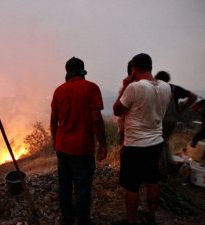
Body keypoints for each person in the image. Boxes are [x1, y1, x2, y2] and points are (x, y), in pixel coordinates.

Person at [113, 53, 171, 225]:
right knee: (153, 180)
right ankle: (151, 216)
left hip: (136, 145)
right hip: (156, 142)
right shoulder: (166, 87)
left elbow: (117, 110)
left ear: (133, 69)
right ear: (150, 67)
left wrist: (125, 86)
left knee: (132, 186)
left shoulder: (134, 88)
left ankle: (132, 221)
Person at [50, 57, 107, 225]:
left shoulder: (58, 90)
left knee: (65, 185)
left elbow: (53, 120)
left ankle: (67, 219)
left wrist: (55, 141)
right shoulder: (91, 88)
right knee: (82, 187)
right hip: (82, 149)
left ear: (67, 71)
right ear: (83, 70)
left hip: (62, 147)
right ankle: (83, 221)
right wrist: (103, 144)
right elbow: (96, 119)